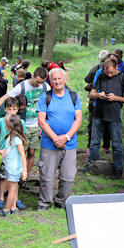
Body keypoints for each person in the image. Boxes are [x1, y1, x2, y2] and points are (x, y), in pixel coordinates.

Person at [37, 68, 82, 210]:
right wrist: (56, 138)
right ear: (50, 81)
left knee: (68, 176)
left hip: (70, 144)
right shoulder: (45, 97)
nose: (57, 82)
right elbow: (42, 121)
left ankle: (61, 202)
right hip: (49, 144)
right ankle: (44, 203)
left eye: (59, 78)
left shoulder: (74, 96)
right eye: (54, 79)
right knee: (46, 176)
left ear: (65, 79)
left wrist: (66, 137)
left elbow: (78, 119)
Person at [0, 67, 50, 176]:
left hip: (37, 125)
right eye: (37, 81)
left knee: (32, 152)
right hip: (23, 124)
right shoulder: (22, 86)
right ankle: (16, 174)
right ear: (33, 76)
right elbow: (5, 97)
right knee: (21, 151)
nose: (39, 85)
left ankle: (25, 177)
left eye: (42, 82)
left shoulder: (46, 87)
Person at [88, 57, 124, 180]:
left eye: (111, 72)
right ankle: (92, 164)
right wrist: (99, 95)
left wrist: (116, 98)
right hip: (99, 113)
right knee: (95, 142)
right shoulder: (102, 76)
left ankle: (118, 169)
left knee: (117, 144)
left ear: (116, 67)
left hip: (114, 115)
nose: (109, 74)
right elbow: (92, 93)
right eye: (107, 72)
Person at [0, 97, 27, 210]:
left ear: (18, 110)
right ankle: (1, 199)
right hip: (4, 153)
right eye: (10, 109)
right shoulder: (1, 121)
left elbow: (23, 137)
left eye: (14, 109)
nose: (12, 112)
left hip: (15, 154)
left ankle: (15, 201)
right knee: (3, 177)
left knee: (14, 179)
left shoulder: (21, 122)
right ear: (5, 109)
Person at [0, 115, 27, 216]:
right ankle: (13, 207)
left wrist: (24, 170)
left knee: (12, 191)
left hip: (14, 169)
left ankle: (6, 210)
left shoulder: (17, 139)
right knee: (10, 189)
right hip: (9, 167)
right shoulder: (10, 136)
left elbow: (23, 155)